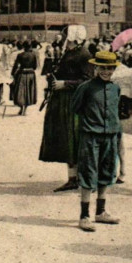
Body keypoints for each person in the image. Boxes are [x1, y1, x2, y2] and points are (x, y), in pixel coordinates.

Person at [71, 51, 122, 232]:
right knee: (88, 172)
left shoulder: (116, 88)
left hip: (110, 135)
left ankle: (100, 212)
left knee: (106, 172)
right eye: (102, 68)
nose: (106, 72)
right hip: (91, 136)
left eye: (109, 68)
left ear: (114, 69)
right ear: (95, 67)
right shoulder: (86, 87)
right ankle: (84, 216)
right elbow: (75, 108)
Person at [39, 25, 91, 192]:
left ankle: (82, 178)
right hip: (63, 100)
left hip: (74, 101)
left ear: (74, 38)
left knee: (74, 139)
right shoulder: (70, 52)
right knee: (68, 141)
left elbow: (87, 80)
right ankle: (72, 178)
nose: (63, 39)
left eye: (66, 36)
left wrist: (65, 84)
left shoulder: (84, 54)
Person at [11, 42, 38, 116]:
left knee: (20, 92)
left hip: (22, 74)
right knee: (29, 92)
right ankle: (25, 109)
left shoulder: (20, 55)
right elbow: (35, 67)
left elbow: (15, 66)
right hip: (31, 75)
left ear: (24, 47)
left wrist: (12, 74)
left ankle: (21, 108)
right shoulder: (33, 55)